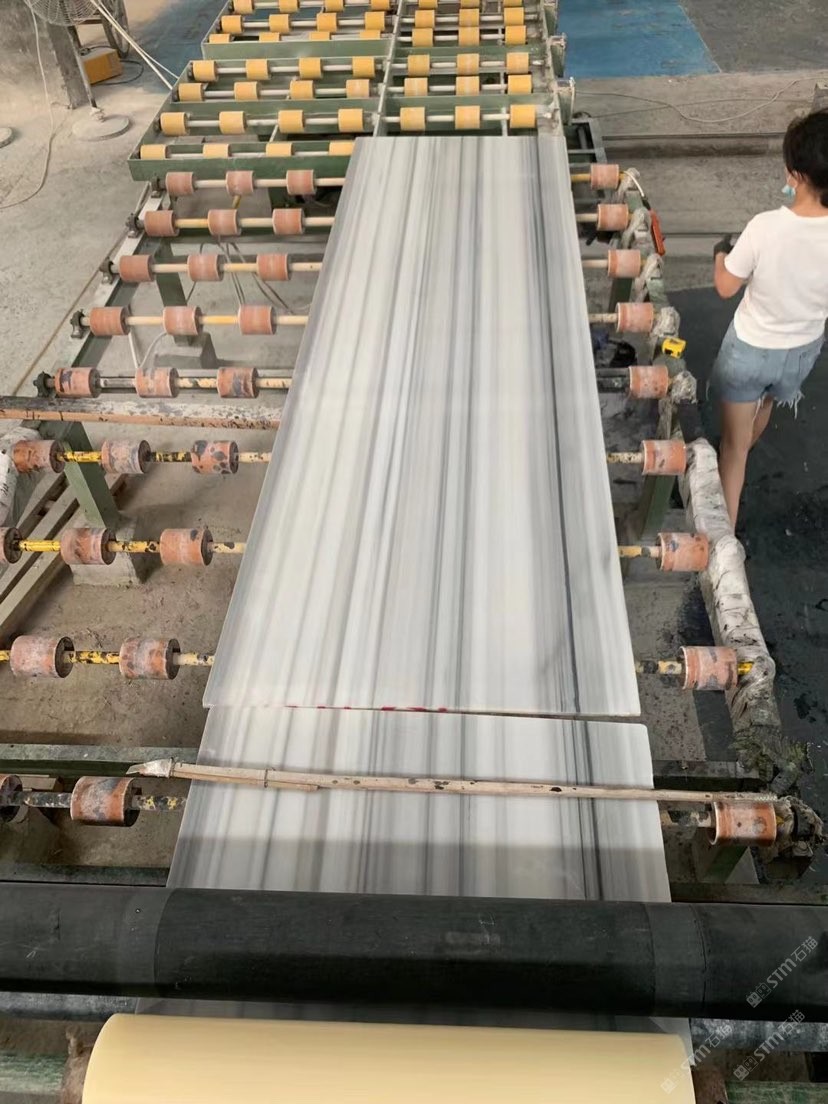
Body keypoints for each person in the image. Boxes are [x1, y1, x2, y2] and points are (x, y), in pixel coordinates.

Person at [711, 108, 828, 528]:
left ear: (795, 174)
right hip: (801, 352)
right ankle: (746, 441)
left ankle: (722, 543)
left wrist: (720, 254)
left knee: (731, 452)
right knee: (766, 401)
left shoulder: (765, 228)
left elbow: (726, 286)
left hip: (751, 350)